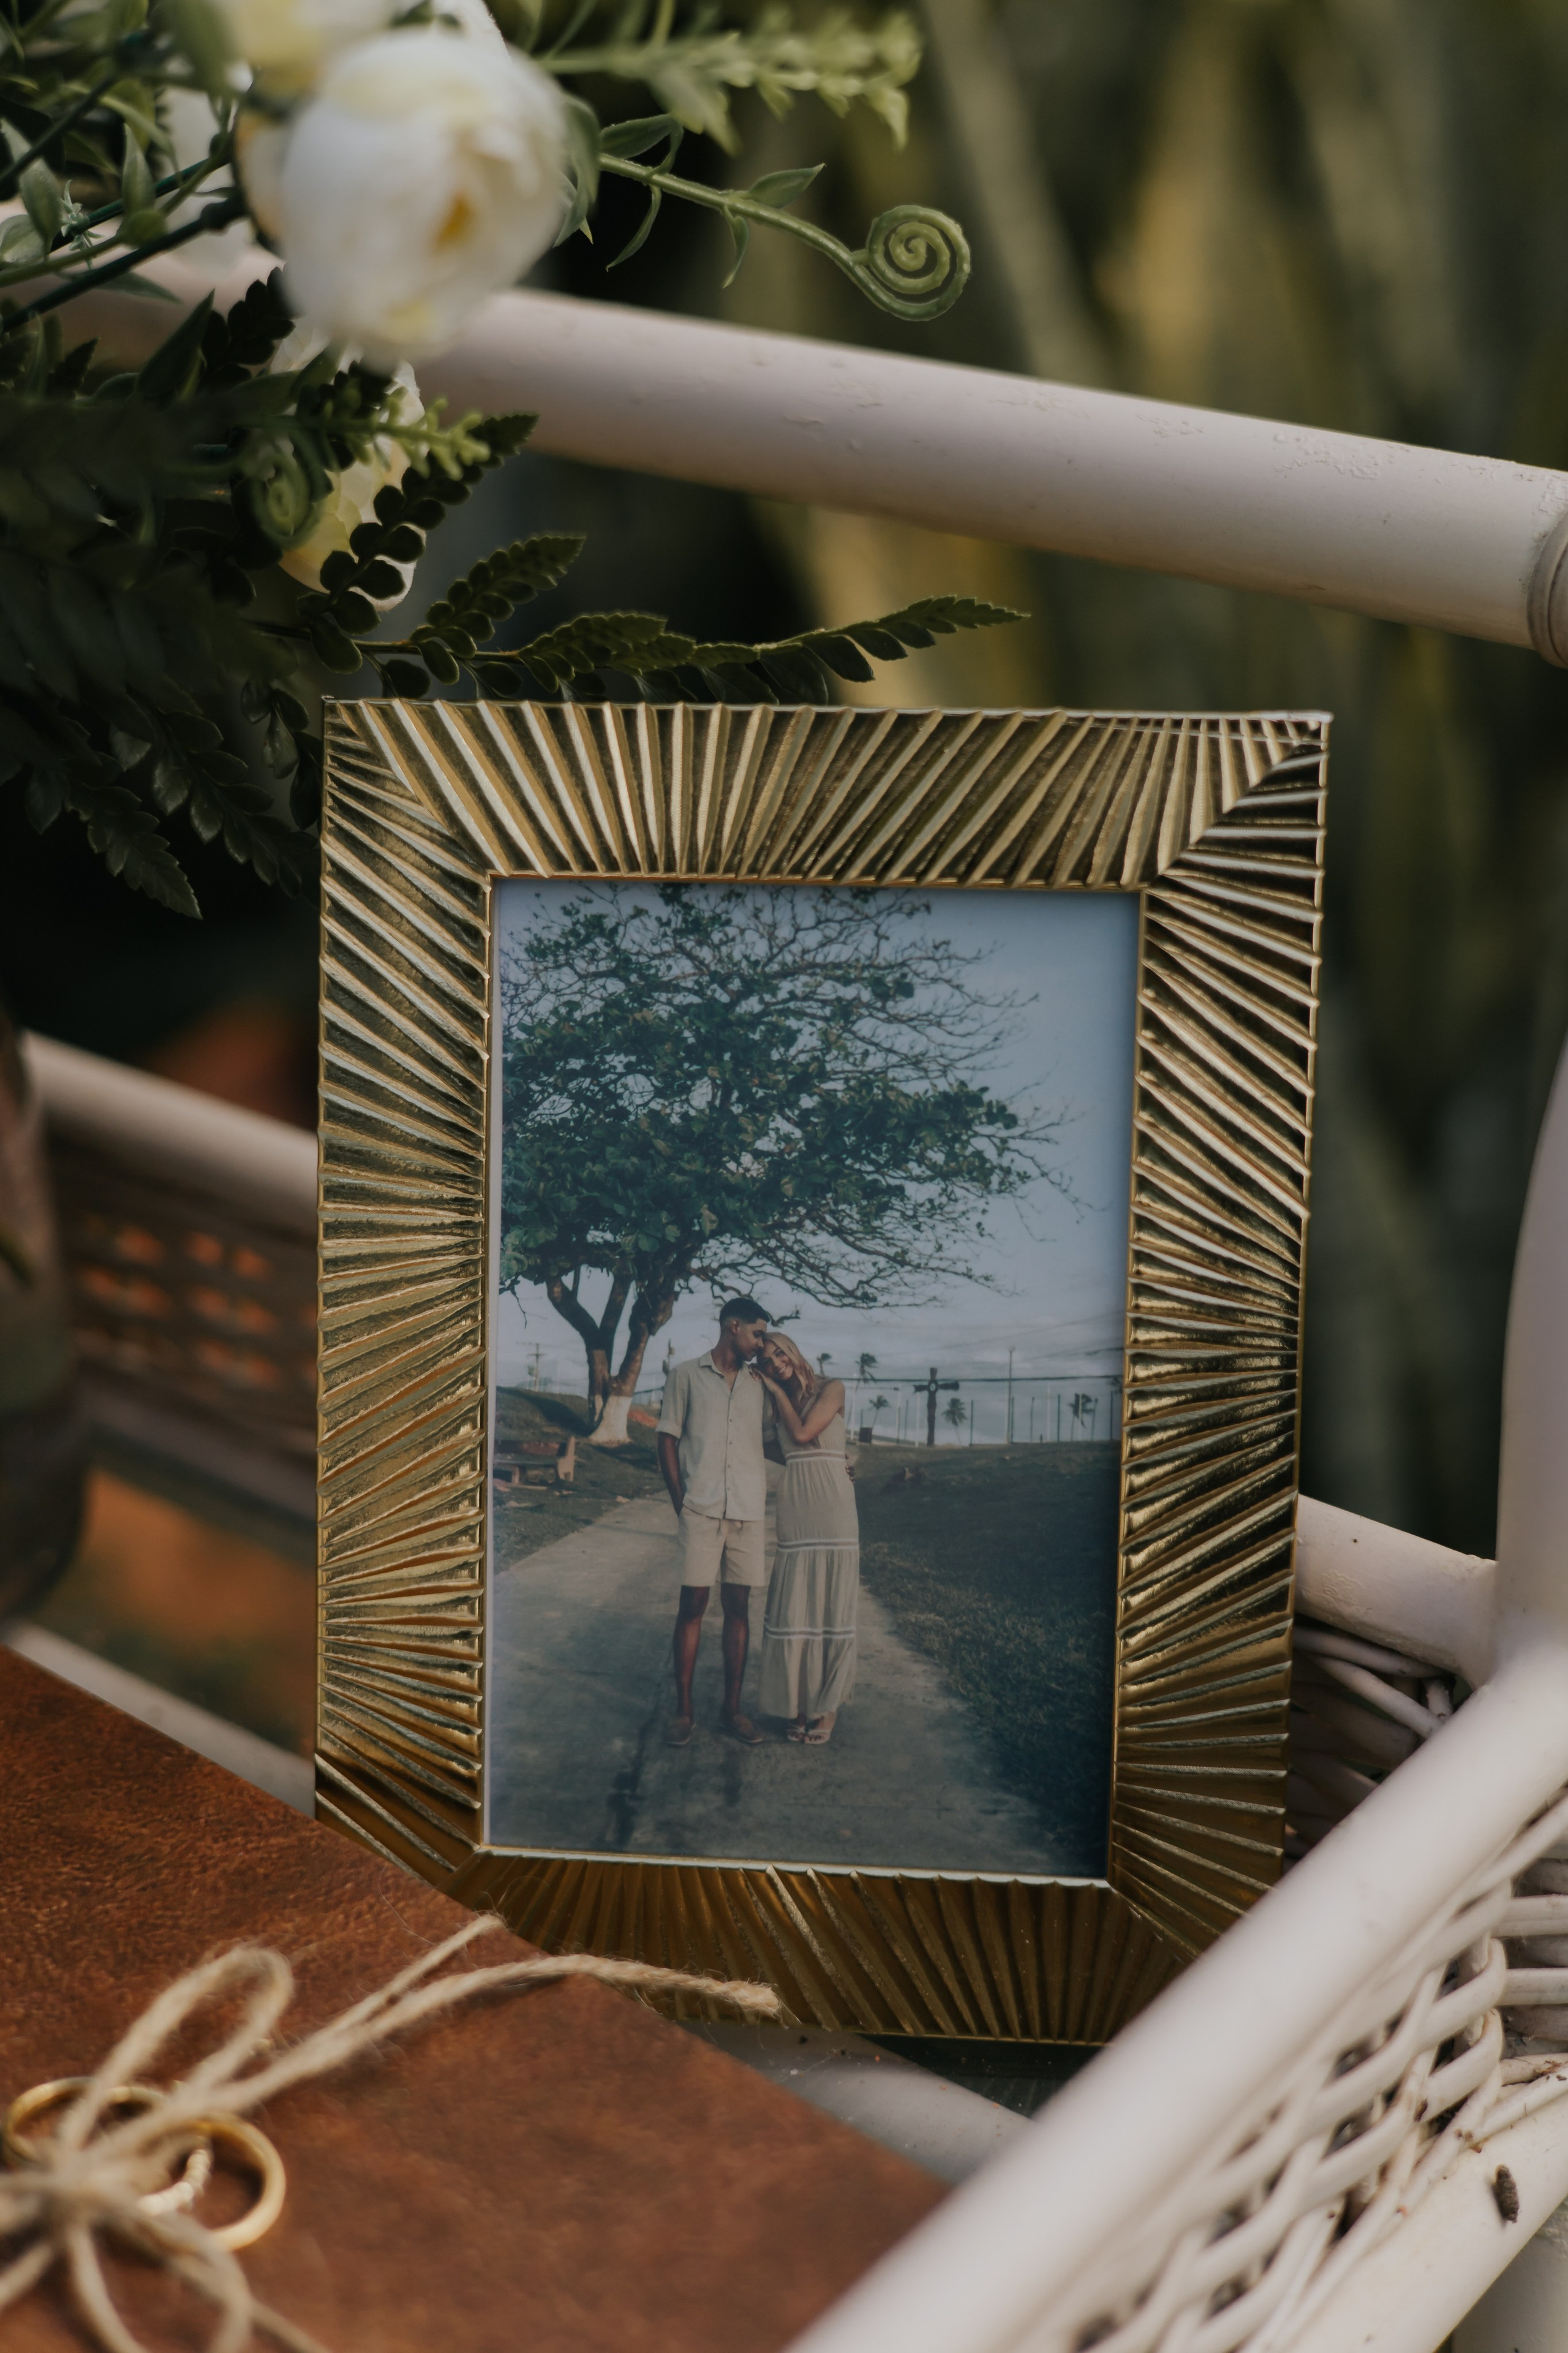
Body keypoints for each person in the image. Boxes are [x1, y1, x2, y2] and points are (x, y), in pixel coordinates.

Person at [655, 1296, 774, 1748]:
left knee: (739, 1610)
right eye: (757, 1334)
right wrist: (680, 1500)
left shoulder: (759, 1384)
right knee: (693, 1607)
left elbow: (770, 1443)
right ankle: (684, 1711)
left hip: (747, 1512)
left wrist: (822, 1457)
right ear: (733, 1325)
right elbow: (666, 1438)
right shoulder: (685, 1375)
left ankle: (732, 1710)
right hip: (701, 1510)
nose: (760, 1343)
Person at [753, 1332, 859, 1745]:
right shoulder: (774, 1405)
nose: (776, 1361)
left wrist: (837, 1462)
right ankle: (799, 1705)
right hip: (797, 1502)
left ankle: (827, 1705)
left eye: (780, 1352)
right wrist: (820, 1460)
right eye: (766, 1360)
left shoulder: (833, 1388)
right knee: (797, 1605)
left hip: (834, 1508)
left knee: (831, 1603)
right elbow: (784, 1446)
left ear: (794, 1351)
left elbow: (802, 1433)